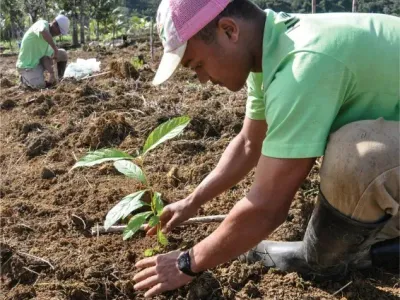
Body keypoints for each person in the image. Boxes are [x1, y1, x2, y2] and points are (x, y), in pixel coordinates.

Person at [133, 0, 400, 297]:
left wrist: (188, 262)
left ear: (229, 30)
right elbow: (249, 143)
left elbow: (267, 208)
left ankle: (349, 256)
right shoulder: (273, 47)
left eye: (197, 64)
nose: (203, 79)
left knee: (356, 155)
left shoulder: (301, 65)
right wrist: (193, 200)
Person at [16, 15, 70, 89]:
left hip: (39, 61)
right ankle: (24, 78)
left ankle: (59, 79)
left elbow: (45, 58)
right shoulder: (41, 24)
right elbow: (43, 31)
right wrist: (55, 49)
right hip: (27, 65)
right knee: (39, 86)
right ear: (54, 24)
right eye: (60, 31)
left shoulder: (52, 39)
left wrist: (51, 73)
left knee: (63, 54)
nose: (59, 34)